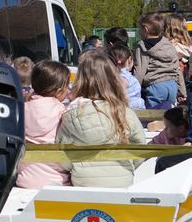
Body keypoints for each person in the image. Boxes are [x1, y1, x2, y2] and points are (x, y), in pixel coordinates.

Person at [57, 50, 147, 187]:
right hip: (122, 179)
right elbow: (140, 146)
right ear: (113, 79)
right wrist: (128, 164)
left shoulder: (71, 114)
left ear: (81, 80)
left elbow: (63, 153)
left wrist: (75, 166)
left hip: (84, 180)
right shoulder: (125, 113)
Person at [16, 61, 71, 189]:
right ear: (59, 91)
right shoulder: (62, 112)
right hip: (57, 181)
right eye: (67, 86)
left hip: (25, 179)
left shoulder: (22, 109)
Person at [133, 12, 185, 109]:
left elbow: (139, 71)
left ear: (145, 29)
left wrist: (133, 91)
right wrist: (182, 91)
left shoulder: (142, 47)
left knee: (153, 115)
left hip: (155, 87)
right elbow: (177, 69)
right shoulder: (169, 45)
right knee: (168, 115)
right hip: (172, 86)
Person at [106, 43, 145, 109]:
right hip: (130, 107)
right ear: (129, 60)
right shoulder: (124, 76)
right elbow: (121, 94)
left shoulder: (112, 74)